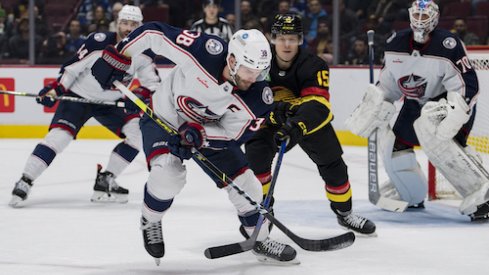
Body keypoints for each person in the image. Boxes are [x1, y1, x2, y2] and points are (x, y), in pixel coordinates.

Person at [90, 23, 299, 264]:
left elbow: (233, 134)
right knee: (169, 175)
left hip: (206, 132)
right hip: (164, 116)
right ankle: (151, 218)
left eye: (260, 71)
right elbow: (153, 34)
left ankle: (259, 239)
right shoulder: (205, 50)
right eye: (250, 70)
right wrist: (119, 55)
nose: (255, 78)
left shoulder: (258, 96)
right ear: (232, 60)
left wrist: (200, 135)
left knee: (248, 185)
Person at [346, 0, 488, 221]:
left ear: (435, 17)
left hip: (447, 102)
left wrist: (456, 113)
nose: (420, 20)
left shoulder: (448, 44)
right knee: (394, 147)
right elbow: (388, 84)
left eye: (425, 15)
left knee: (432, 132)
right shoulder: (396, 43)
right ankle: (411, 192)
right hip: (416, 103)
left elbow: (469, 85)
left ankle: (482, 194)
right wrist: (375, 104)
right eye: (417, 15)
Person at [9, 5, 160, 207]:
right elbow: (71, 70)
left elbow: (152, 84)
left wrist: (137, 98)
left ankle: (106, 179)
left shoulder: (144, 52)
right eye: (124, 22)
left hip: (110, 103)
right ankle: (25, 181)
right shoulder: (99, 42)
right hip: (78, 96)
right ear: (117, 22)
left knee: (137, 133)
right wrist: (55, 90)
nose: (128, 28)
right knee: (59, 138)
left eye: (133, 24)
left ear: (139, 27)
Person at [244, 13, 376, 236]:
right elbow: (250, 103)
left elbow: (319, 106)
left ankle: (345, 214)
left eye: (293, 38)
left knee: (335, 167)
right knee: (256, 159)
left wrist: (296, 126)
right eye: (282, 38)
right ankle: (263, 214)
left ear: (301, 39)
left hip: (305, 122)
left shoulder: (314, 65)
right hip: (270, 120)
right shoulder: (259, 64)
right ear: (272, 38)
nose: (287, 44)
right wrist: (275, 117)